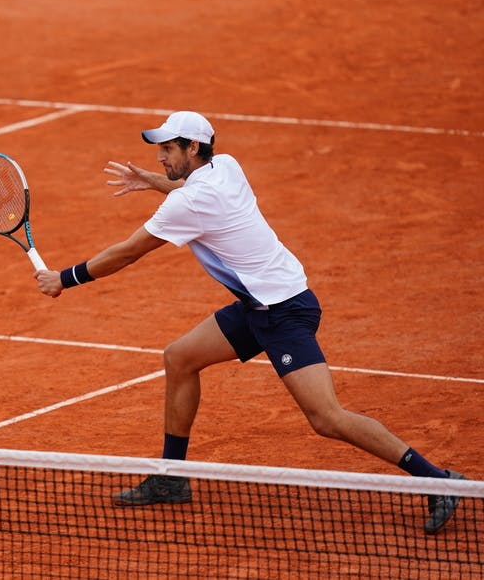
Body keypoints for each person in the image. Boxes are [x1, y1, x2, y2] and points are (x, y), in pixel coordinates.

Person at [34, 110, 466, 534]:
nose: (160, 156)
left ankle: (437, 481)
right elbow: (185, 188)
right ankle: (170, 476)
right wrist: (154, 182)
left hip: (283, 311)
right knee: (180, 358)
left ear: (193, 147)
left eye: (168, 148)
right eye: (160, 149)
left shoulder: (190, 202)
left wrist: (63, 279)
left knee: (326, 418)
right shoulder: (226, 166)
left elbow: (127, 252)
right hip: (261, 303)